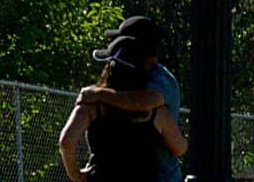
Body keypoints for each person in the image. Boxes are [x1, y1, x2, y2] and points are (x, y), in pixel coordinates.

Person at [59, 35, 187, 182]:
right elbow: (179, 148)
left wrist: (76, 174)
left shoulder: (91, 105)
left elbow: (66, 141)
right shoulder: (157, 112)